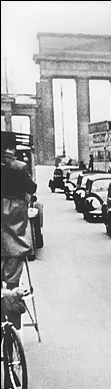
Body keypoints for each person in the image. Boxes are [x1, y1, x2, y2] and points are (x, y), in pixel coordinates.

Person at [1, 131, 37, 329]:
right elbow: (31, 188)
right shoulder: (20, 167)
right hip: (15, 231)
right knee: (13, 284)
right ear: (12, 149)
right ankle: (14, 328)